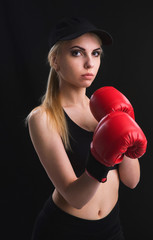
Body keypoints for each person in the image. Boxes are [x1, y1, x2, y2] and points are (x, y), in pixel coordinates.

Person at [27, 17, 147, 240]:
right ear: (55, 60)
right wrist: (101, 158)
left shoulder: (106, 107)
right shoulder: (43, 117)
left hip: (111, 228)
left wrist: (122, 120)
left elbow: (132, 181)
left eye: (96, 53)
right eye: (77, 52)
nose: (90, 63)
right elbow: (76, 198)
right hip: (64, 230)